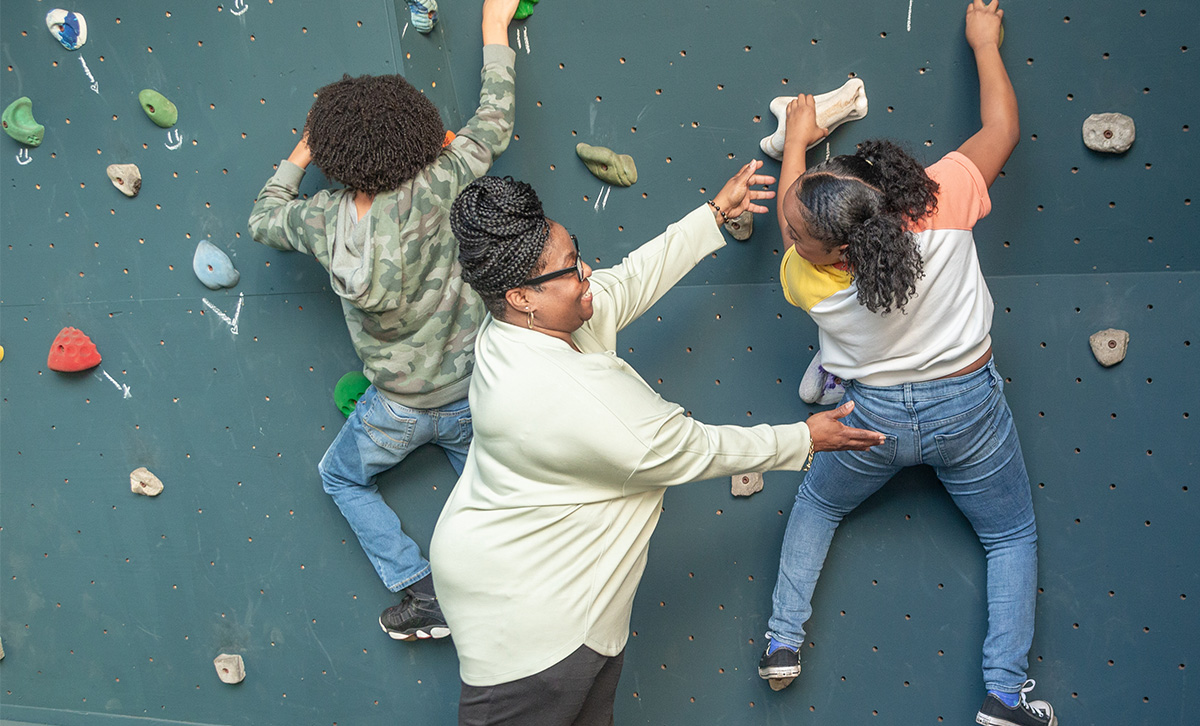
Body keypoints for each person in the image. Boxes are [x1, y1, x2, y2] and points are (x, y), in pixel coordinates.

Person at [430, 162, 886, 726]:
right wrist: (803, 439)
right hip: (530, 624)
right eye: (572, 268)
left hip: (547, 593)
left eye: (578, 251)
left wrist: (713, 217)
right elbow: (681, 448)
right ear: (522, 294)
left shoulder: (529, 325)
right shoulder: (560, 393)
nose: (587, 271)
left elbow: (626, 281)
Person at [758, 3, 1056, 725]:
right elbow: (1002, 132)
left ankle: (781, 645)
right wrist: (985, 44)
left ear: (823, 249)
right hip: (968, 408)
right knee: (1009, 536)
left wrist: (794, 142)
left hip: (872, 418)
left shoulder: (807, 276)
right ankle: (1003, 698)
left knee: (819, 503)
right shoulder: (944, 198)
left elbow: (793, 225)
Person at [247, 0, 521, 642]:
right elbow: (492, 126)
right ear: (416, 131)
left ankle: (420, 592)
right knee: (502, 498)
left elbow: (263, 216)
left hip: (397, 408)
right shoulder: (441, 182)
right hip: (471, 392)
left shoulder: (319, 220)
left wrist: (305, 146)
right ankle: (519, 589)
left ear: (334, 154)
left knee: (340, 477)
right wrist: (493, 29)